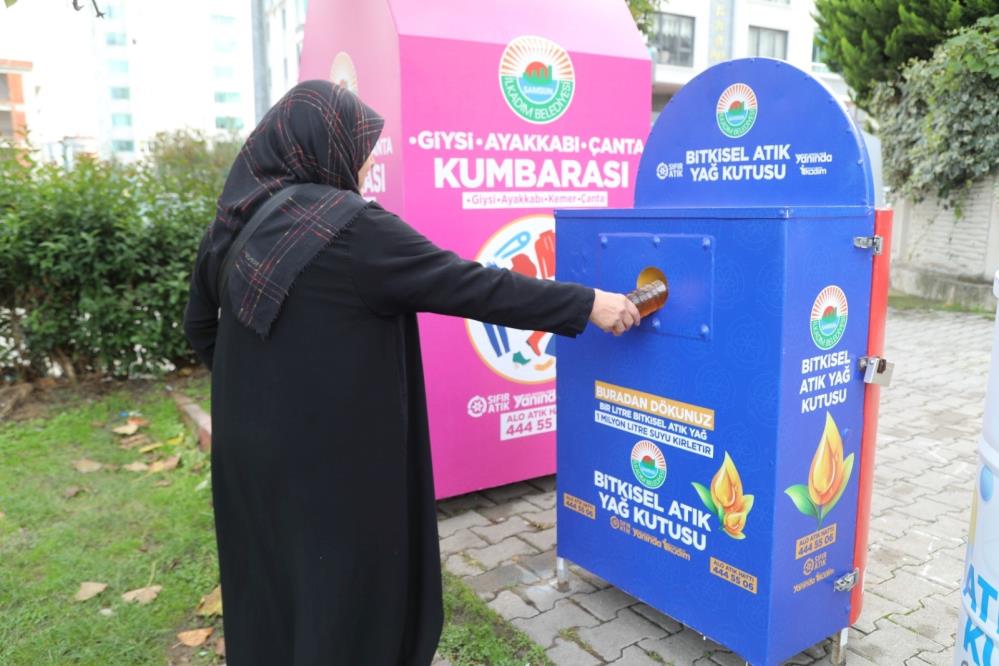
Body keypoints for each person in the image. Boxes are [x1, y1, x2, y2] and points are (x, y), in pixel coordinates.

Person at [183, 80, 640, 666]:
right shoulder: (350, 230)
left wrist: (259, 389)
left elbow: (202, 328)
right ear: (324, 147)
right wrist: (587, 304)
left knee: (270, 580)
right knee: (344, 593)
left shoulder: (233, 223)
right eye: (363, 147)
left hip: (246, 453)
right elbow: (473, 285)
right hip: (332, 461)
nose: (369, 162)